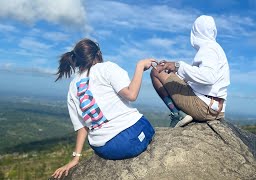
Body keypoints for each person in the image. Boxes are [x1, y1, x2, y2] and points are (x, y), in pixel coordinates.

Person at [52, 39, 155, 179]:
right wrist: (140, 66)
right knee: (148, 127)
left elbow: (82, 126)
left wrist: (76, 158)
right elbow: (131, 95)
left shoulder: (73, 87)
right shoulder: (107, 68)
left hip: (105, 148)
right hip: (129, 139)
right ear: (98, 53)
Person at [150, 15, 230, 127]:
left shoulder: (208, 48)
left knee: (156, 71)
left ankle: (177, 114)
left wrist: (178, 66)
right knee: (171, 74)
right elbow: (203, 78)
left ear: (195, 31)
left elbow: (208, 77)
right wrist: (177, 72)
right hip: (216, 109)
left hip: (203, 107)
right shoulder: (217, 49)